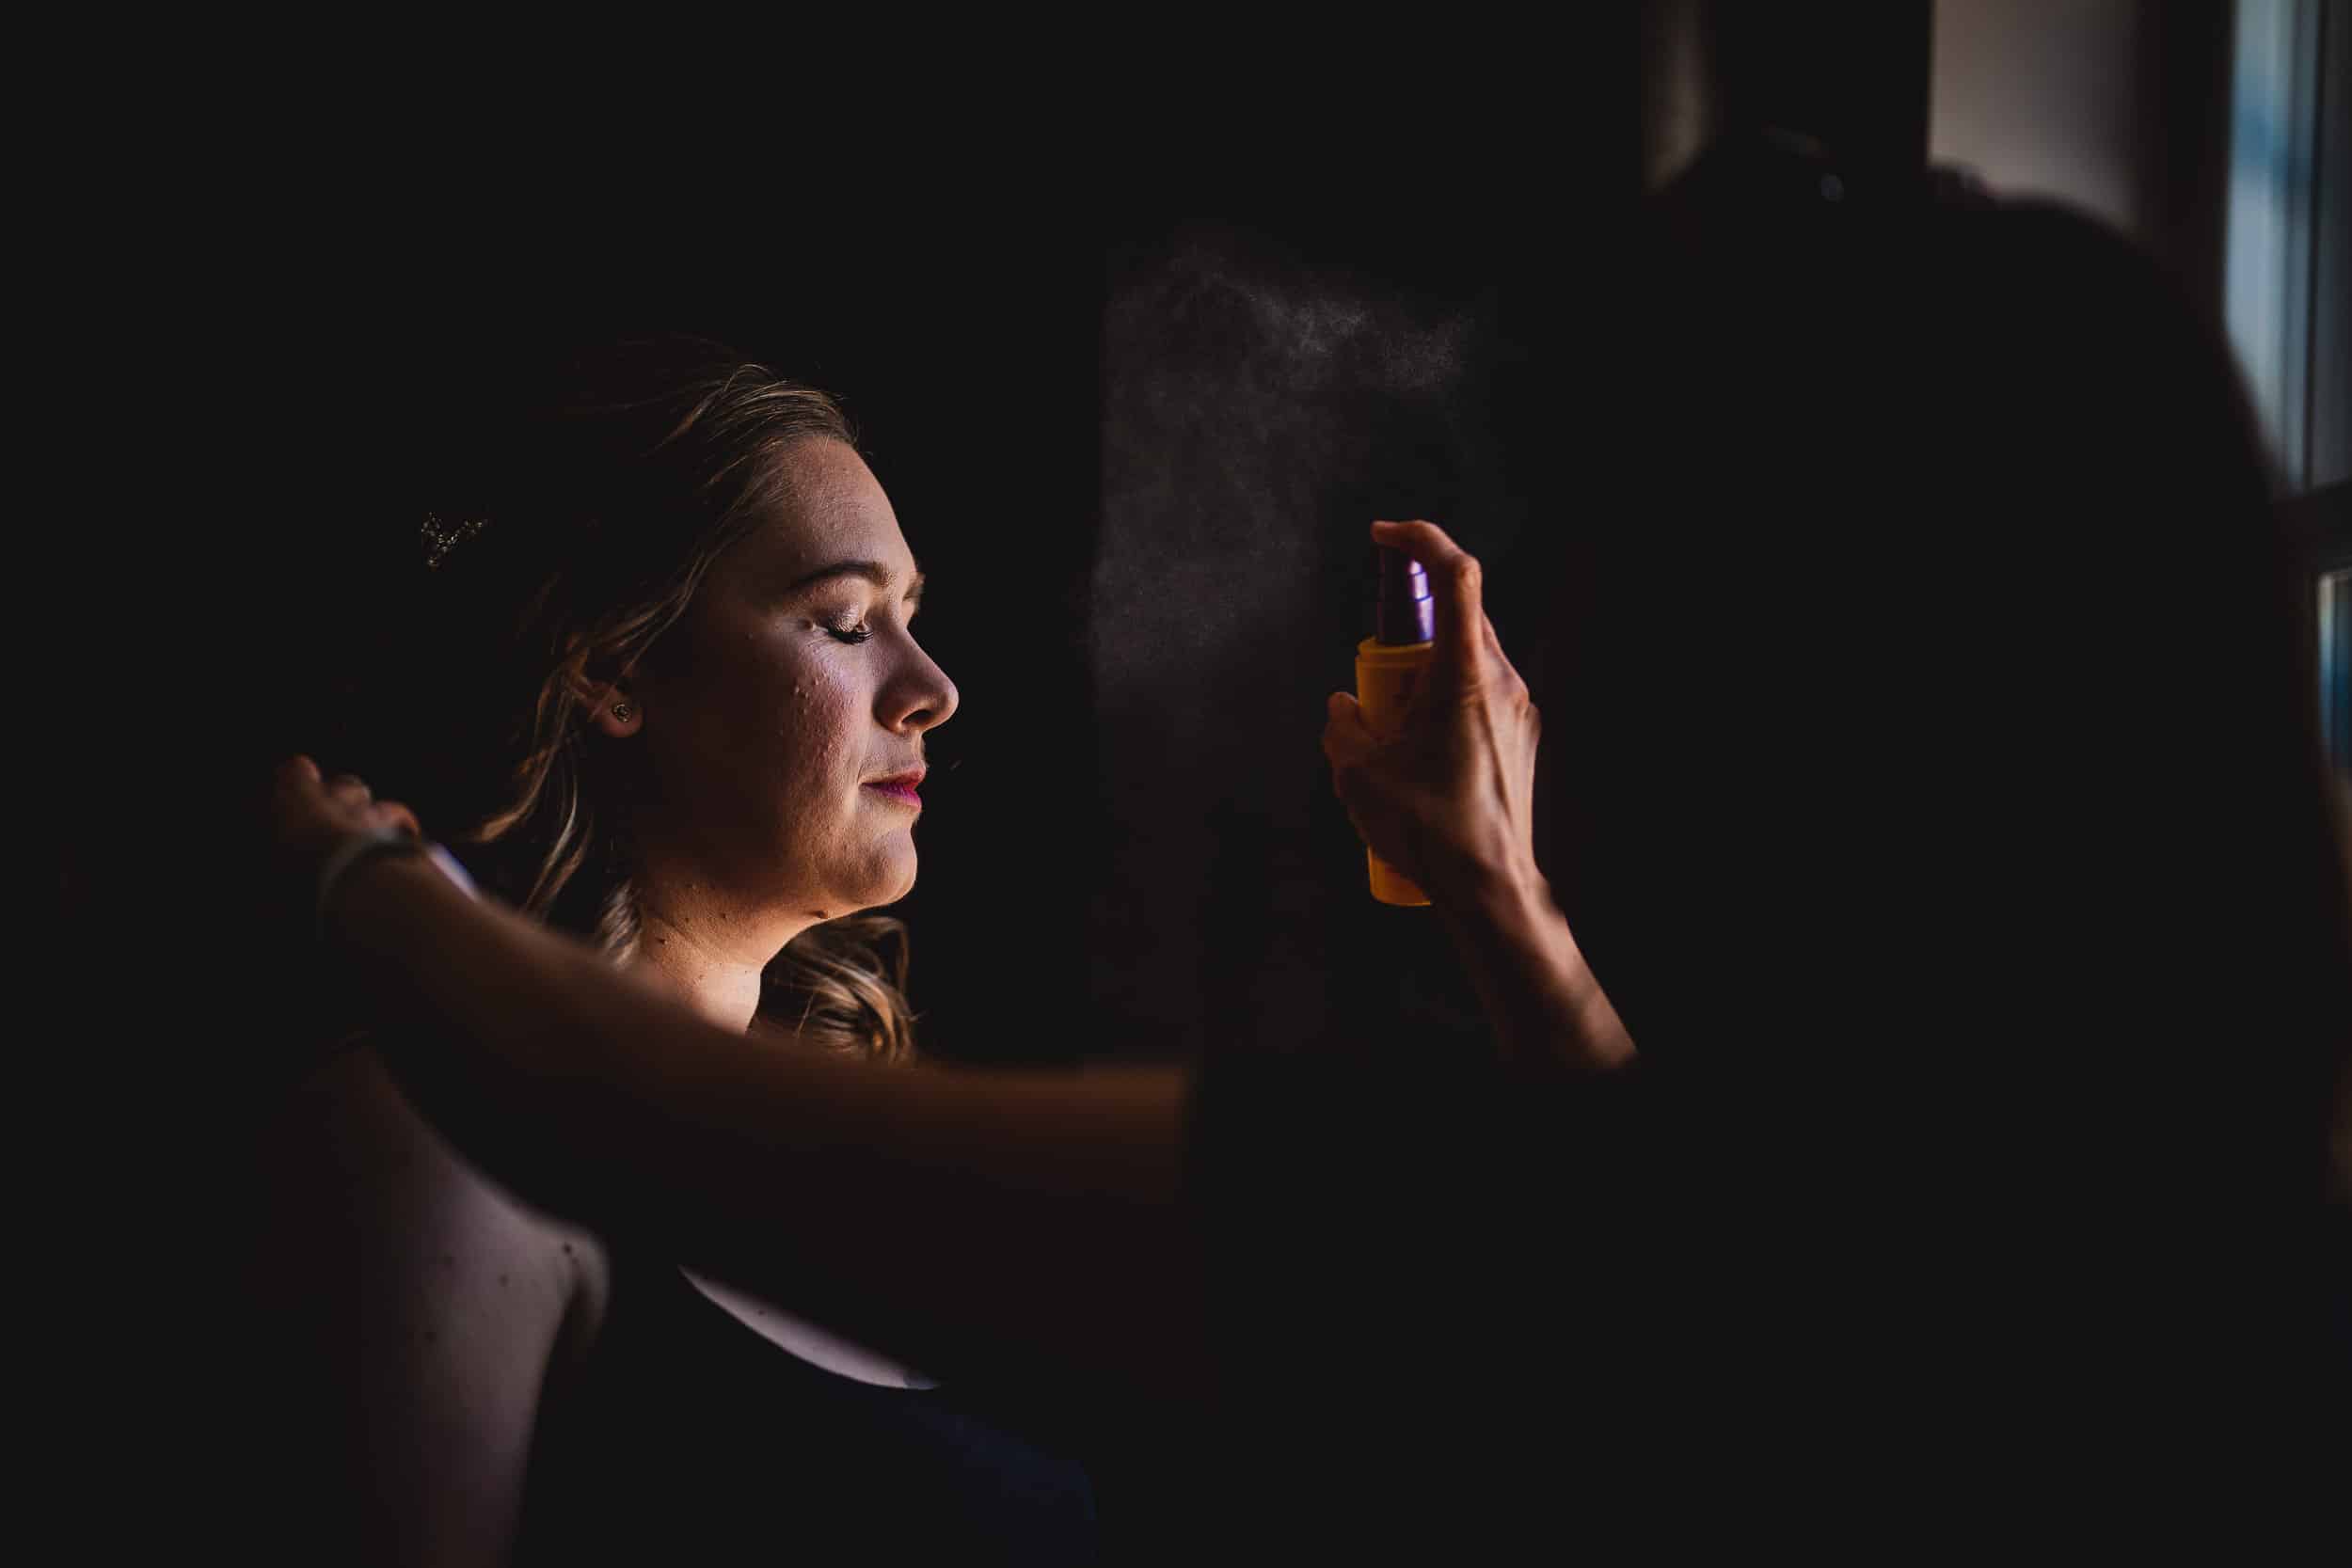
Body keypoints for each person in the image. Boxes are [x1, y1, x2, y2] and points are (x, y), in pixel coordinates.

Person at [262, 135, 2352, 1554]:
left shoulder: (1865, 1242)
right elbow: (1663, 1237)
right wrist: (1500, 895)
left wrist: (389, 910)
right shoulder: (2151, 1229)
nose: (1577, 646)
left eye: (1642, 573)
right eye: (843, 619)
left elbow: (720, 1141)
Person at [243, 331, 1630, 1565]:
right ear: (611, 668)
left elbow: (1585, 1279)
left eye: (915, 617)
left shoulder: (883, 1164)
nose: (934, 690)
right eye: (847, 623)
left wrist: (1499, 890)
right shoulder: (435, 1127)